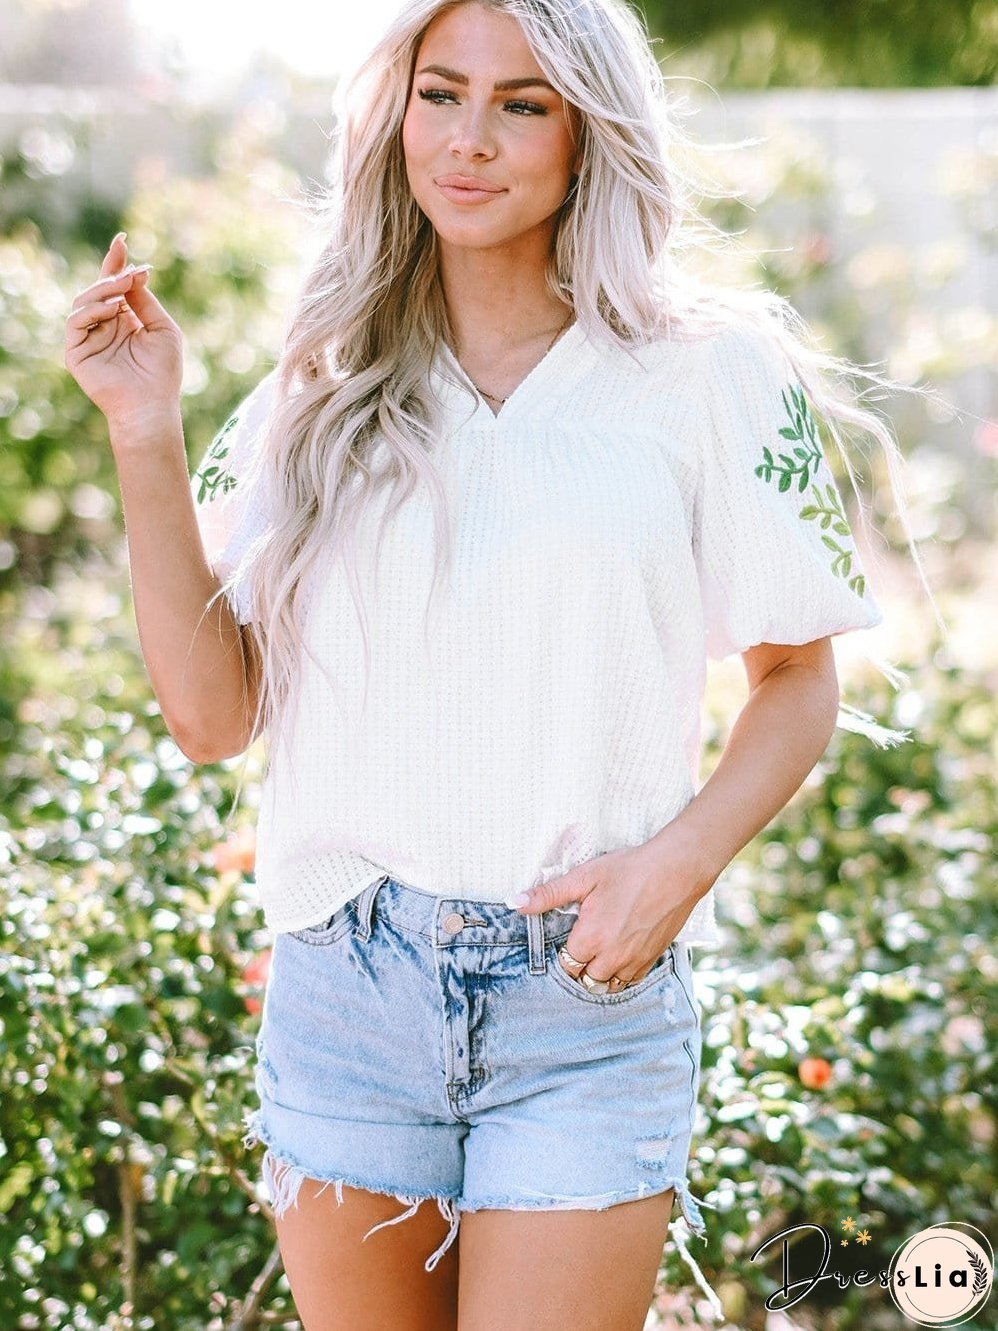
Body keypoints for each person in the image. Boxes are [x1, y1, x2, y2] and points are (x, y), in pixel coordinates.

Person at [64, 1, 928, 1326]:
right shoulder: (320, 384)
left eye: (523, 104)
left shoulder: (706, 372)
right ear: (394, 112)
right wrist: (143, 428)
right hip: (346, 989)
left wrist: (673, 866)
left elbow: (793, 677)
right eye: (440, 93)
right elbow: (211, 715)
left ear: (589, 134)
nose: (470, 141)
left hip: (582, 997)